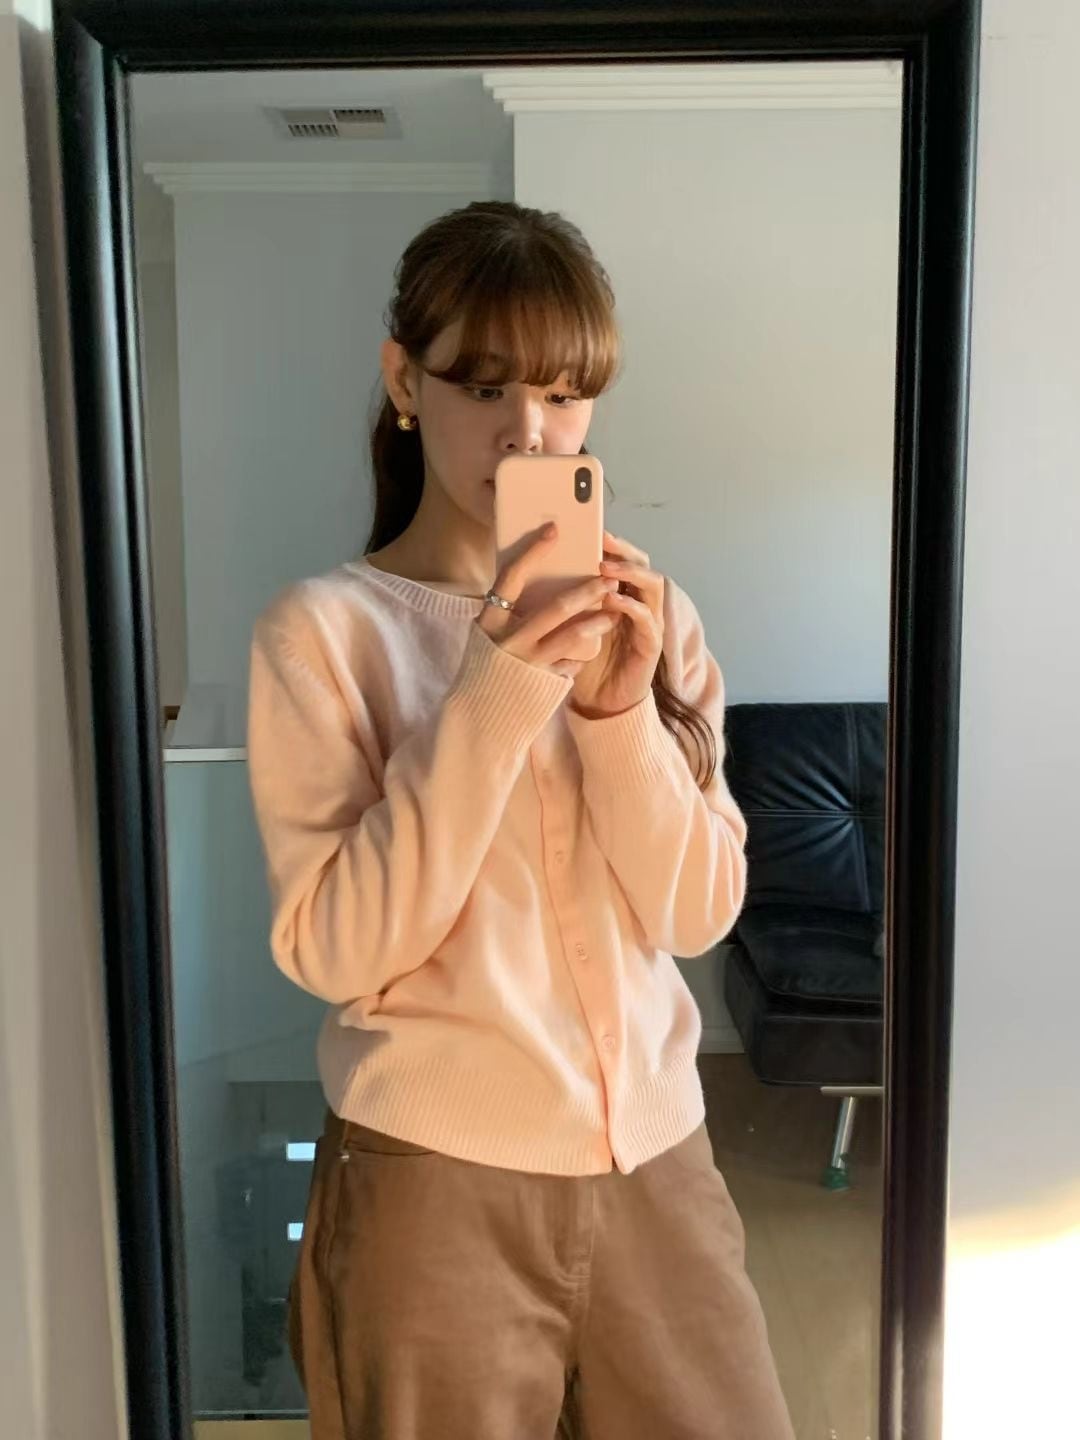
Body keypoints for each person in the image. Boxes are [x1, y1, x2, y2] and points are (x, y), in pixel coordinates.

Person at [246, 199, 795, 1440]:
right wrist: (492, 695)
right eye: (485, 386)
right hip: (430, 1187)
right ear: (406, 382)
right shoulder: (323, 634)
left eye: (562, 392)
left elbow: (697, 914)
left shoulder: (653, 616)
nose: (529, 431)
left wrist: (616, 717)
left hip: (660, 1163)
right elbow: (335, 949)